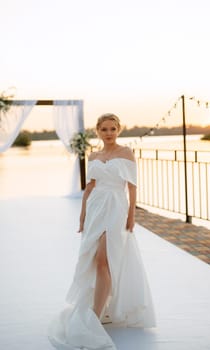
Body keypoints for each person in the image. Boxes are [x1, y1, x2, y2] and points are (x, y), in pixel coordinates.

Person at [48, 113, 156, 350]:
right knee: (94, 260)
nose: (109, 133)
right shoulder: (94, 155)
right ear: (97, 131)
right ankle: (102, 308)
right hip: (96, 207)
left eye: (113, 129)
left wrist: (132, 215)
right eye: (104, 129)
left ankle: (95, 317)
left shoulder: (126, 153)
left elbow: (132, 187)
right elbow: (89, 188)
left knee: (103, 261)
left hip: (116, 207)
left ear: (119, 130)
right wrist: (82, 214)